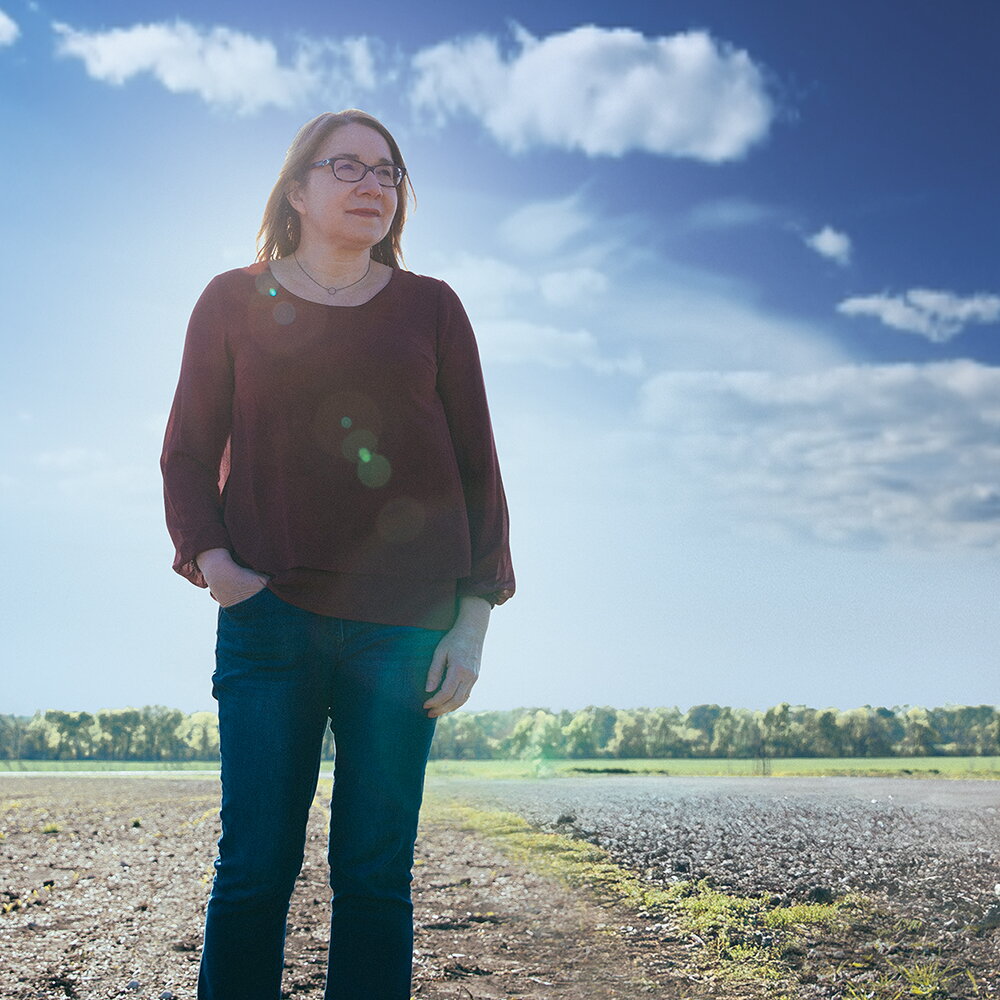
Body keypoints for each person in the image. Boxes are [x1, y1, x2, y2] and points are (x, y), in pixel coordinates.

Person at [160, 109, 514, 1000]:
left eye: (388, 172)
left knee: (374, 876)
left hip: (406, 630)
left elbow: (479, 469)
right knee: (252, 871)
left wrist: (471, 623)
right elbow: (188, 452)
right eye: (347, 166)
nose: (372, 186)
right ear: (296, 189)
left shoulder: (432, 308)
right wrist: (216, 565)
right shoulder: (232, 301)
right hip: (270, 622)